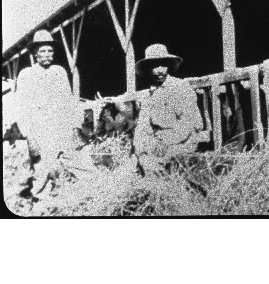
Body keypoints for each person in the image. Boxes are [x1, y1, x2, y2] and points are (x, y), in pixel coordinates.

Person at [100, 43, 203, 176]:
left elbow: (188, 123)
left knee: (157, 167)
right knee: (130, 169)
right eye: (155, 66)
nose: (160, 70)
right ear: (149, 69)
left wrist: (165, 143)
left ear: (169, 66)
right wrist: (142, 154)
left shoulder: (180, 88)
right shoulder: (150, 95)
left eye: (163, 65)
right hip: (157, 143)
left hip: (183, 141)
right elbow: (143, 129)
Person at [15, 29, 83, 199]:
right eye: (42, 51)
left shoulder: (59, 72)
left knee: (74, 161)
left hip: (60, 126)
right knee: (43, 170)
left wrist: (75, 126)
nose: (47, 54)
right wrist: (29, 138)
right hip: (40, 131)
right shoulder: (26, 75)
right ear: (35, 53)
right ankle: (39, 203)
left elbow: (69, 101)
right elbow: (21, 108)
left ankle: (81, 192)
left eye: (50, 50)